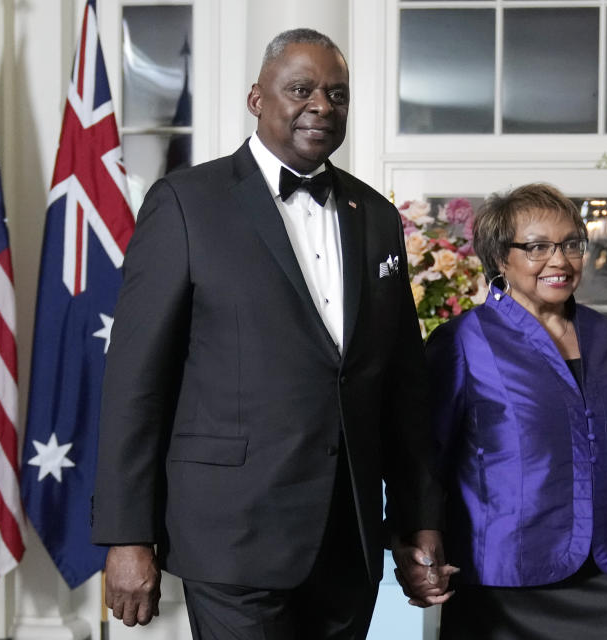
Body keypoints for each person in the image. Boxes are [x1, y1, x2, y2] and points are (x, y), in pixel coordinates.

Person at [91, 28, 452, 640]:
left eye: (336, 95)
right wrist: (128, 536)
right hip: (233, 536)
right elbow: (136, 383)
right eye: (302, 90)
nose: (322, 106)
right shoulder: (185, 203)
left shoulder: (377, 217)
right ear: (258, 99)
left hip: (349, 539)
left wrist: (419, 521)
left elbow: (402, 389)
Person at [425, 183, 607, 639]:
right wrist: (420, 545)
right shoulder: (464, 341)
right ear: (499, 258)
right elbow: (426, 461)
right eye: (537, 247)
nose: (560, 260)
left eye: (571, 244)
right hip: (505, 581)